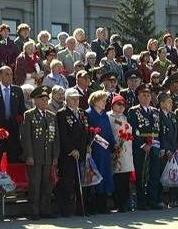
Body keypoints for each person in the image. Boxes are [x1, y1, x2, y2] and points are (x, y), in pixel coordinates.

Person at [21, 85, 60, 220]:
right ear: (35, 101)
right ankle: (34, 211)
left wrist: (55, 156)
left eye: (46, 99)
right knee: (35, 184)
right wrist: (29, 155)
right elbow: (26, 138)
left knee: (47, 184)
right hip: (35, 157)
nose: (45, 102)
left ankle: (45, 210)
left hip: (48, 156)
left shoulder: (51, 116)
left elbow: (55, 138)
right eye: (42, 99)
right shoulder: (29, 115)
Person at [127, 84, 163, 210]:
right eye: (144, 95)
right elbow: (132, 130)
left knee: (154, 175)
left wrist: (159, 147)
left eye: (148, 95)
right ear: (138, 96)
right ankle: (142, 202)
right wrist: (142, 145)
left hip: (154, 147)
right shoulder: (133, 111)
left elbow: (159, 131)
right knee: (142, 175)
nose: (146, 97)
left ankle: (152, 200)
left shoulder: (155, 111)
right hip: (141, 148)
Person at [57, 88, 89, 217]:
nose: (76, 101)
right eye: (73, 98)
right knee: (67, 182)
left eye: (77, 98)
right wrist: (71, 149)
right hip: (68, 154)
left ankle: (81, 209)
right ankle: (66, 210)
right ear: (66, 99)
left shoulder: (82, 113)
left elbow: (87, 131)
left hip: (81, 152)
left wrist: (87, 145)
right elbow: (63, 135)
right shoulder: (62, 114)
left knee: (81, 181)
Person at [0, 66, 26, 163]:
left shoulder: (18, 90)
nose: (10, 77)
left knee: (14, 159)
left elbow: (22, 110)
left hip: (13, 130)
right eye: (7, 74)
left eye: (11, 74)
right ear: (0, 75)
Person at [86, 91, 116, 213]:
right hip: (95, 150)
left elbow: (109, 131)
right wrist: (102, 143)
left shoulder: (104, 115)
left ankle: (103, 205)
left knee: (105, 176)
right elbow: (89, 132)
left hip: (105, 151)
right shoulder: (88, 114)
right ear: (95, 101)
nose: (105, 103)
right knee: (95, 176)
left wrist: (112, 144)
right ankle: (94, 206)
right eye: (103, 100)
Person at [107, 95, 134, 212]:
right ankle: (119, 203)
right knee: (117, 179)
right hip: (116, 151)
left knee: (125, 180)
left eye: (123, 105)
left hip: (127, 152)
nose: (121, 107)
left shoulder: (124, 117)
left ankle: (126, 203)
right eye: (119, 104)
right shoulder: (108, 117)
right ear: (113, 105)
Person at [157, 92, 178, 207]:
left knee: (173, 174)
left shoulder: (172, 115)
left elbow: (175, 134)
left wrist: (175, 148)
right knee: (163, 176)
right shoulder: (158, 115)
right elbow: (161, 134)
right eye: (168, 102)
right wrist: (166, 149)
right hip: (164, 151)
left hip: (173, 149)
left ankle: (174, 199)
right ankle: (162, 200)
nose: (171, 103)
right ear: (162, 103)